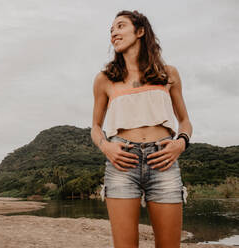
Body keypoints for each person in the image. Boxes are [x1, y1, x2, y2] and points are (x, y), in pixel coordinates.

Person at [91, 10, 193, 248]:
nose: (114, 33)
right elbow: (95, 127)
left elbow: (185, 121)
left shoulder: (168, 73)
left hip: (164, 161)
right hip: (122, 163)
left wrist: (181, 142)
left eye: (120, 26)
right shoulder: (104, 79)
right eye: (111, 30)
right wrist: (106, 147)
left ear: (140, 31)